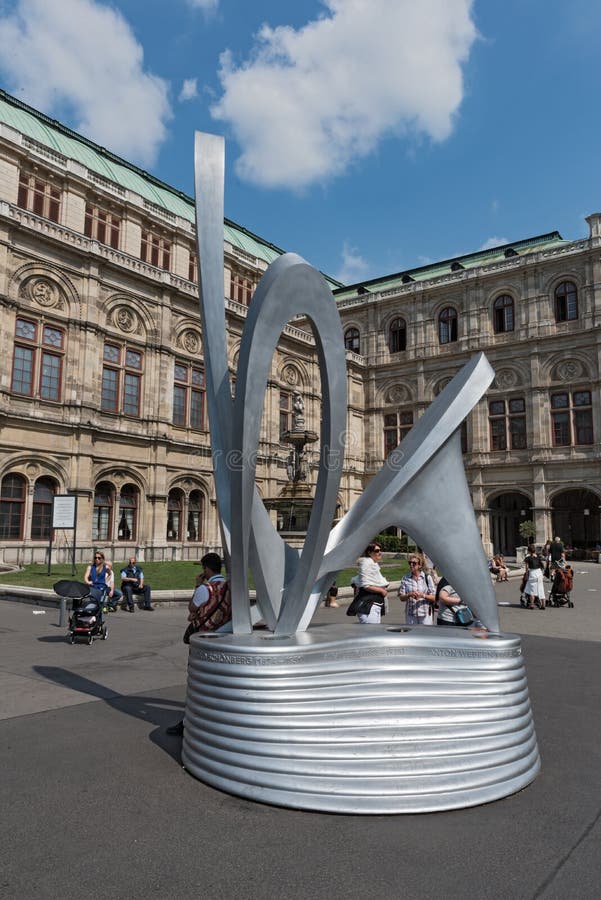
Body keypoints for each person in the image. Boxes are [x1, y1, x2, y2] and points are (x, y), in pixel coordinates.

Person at [166, 552, 232, 736]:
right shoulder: (228, 586)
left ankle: (189, 720)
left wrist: (198, 584)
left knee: (197, 681)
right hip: (224, 639)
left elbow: (192, 607)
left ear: (207, 569)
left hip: (203, 640)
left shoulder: (206, 588)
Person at [352, 542, 388, 624]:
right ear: (369, 553)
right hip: (368, 606)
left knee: (375, 633)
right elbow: (365, 585)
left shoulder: (373, 564)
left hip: (374, 605)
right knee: (372, 632)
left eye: (380, 550)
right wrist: (382, 591)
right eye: (377, 551)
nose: (380, 553)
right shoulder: (366, 563)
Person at [398, 553, 436, 625]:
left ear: (419, 565)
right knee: (412, 635)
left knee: (425, 635)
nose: (411, 565)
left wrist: (423, 595)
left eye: (414, 563)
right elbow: (401, 597)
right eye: (410, 563)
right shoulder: (405, 578)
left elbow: (434, 597)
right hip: (410, 614)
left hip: (425, 614)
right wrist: (409, 594)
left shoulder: (427, 578)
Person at [84, 551, 108, 619]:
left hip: (101, 588)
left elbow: (110, 573)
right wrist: (88, 581)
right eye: (95, 557)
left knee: (99, 605)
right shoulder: (90, 567)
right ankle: (91, 618)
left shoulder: (105, 567)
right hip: (93, 588)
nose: (97, 559)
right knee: (93, 604)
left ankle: (100, 621)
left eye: (99, 558)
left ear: (102, 559)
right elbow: (86, 577)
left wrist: (108, 579)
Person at [523, 543, 546, 610]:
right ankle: (543, 605)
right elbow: (542, 566)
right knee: (541, 589)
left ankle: (532, 604)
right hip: (539, 572)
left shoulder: (528, 558)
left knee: (532, 590)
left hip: (533, 573)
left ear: (529, 551)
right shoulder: (538, 557)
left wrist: (526, 576)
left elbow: (527, 568)